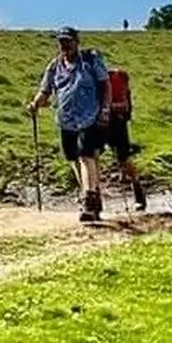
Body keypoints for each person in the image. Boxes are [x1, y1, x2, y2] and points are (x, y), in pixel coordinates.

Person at [26, 26, 111, 223]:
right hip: (66, 119)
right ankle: (92, 195)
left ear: (76, 42)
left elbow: (105, 84)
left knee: (86, 156)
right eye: (61, 41)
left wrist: (105, 110)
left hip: (90, 117)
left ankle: (88, 199)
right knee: (73, 158)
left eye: (68, 41)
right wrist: (35, 104)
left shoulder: (90, 61)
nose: (65, 45)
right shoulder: (54, 66)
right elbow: (46, 90)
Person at [103, 63, 147, 211]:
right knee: (122, 158)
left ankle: (137, 189)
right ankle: (137, 189)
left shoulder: (111, 77)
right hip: (111, 121)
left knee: (121, 159)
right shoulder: (113, 76)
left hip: (110, 122)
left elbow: (124, 104)